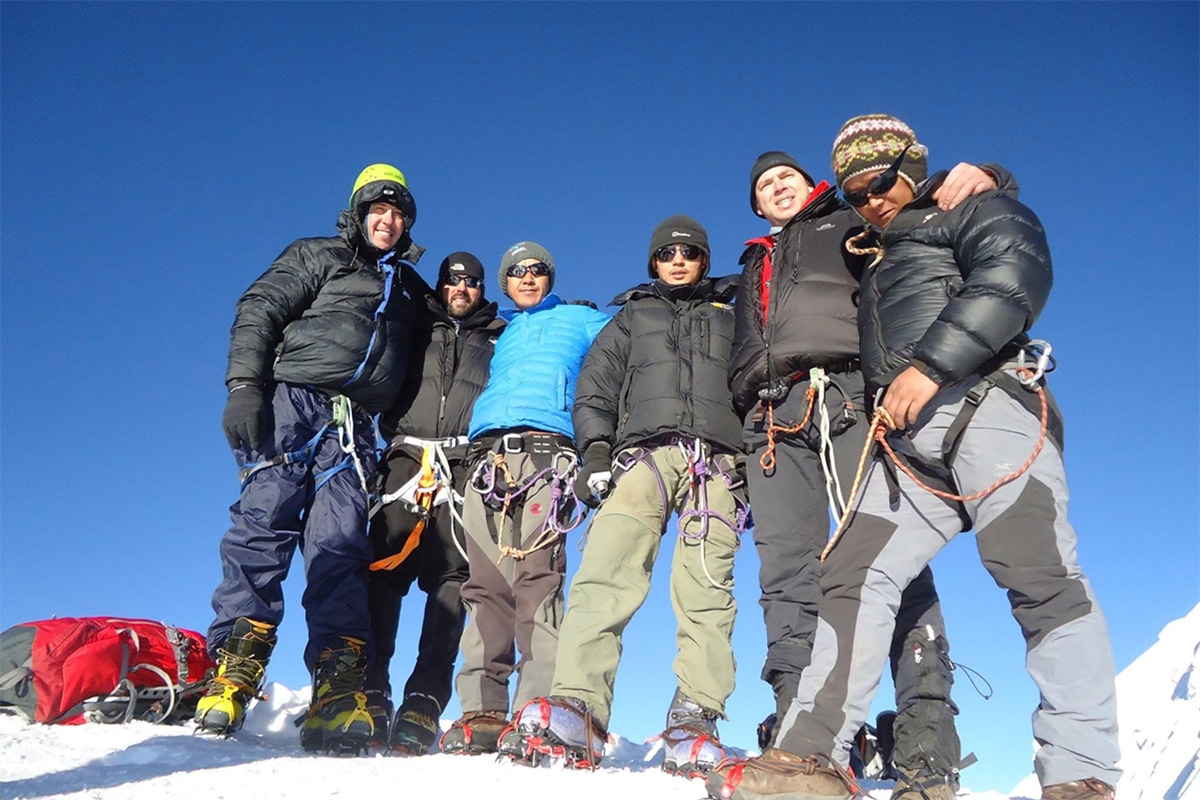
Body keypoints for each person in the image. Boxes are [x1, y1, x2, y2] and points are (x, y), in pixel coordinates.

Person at [707, 116, 1121, 800]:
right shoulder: (871, 248)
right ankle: (810, 757)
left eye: (879, 181)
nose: (871, 199)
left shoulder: (968, 206)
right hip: (904, 446)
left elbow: (1015, 278)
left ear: (912, 165)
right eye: (854, 190)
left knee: (1038, 575)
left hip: (988, 405)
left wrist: (931, 366)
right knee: (850, 574)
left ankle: (1080, 773)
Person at [503, 216, 748, 776]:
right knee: (605, 575)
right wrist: (594, 454)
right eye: (667, 254)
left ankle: (696, 717)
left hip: (715, 463)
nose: (678, 261)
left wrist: (752, 461)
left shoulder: (733, 316)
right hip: (641, 459)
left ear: (704, 261)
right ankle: (578, 706)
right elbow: (596, 387)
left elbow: (754, 381)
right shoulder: (633, 316)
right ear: (654, 264)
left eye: (689, 252)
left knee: (709, 589)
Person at [194, 164, 422, 754]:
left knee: (340, 549)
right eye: (379, 208)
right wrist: (244, 386)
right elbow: (260, 307)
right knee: (262, 528)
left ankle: (338, 690)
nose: (389, 220)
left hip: (356, 432)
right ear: (358, 210)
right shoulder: (318, 255)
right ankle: (234, 672)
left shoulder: (409, 290)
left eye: (399, 213)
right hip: (292, 407)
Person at [439, 242, 610, 755]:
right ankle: (482, 709)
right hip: (487, 458)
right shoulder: (501, 330)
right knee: (485, 584)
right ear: (506, 282)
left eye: (538, 270)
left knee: (538, 579)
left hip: (546, 456)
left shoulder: (583, 320)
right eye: (517, 272)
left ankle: (536, 707)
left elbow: (630, 355)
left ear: (550, 277)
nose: (528, 278)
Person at [364, 251, 505, 754]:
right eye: (452, 281)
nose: (461, 289)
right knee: (382, 570)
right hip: (406, 459)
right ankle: (370, 689)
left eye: (471, 282)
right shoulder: (412, 326)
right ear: (441, 286)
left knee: (452, 581)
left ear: (482, 289)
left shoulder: (499, 336)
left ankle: (424, 701)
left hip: (465, 466)